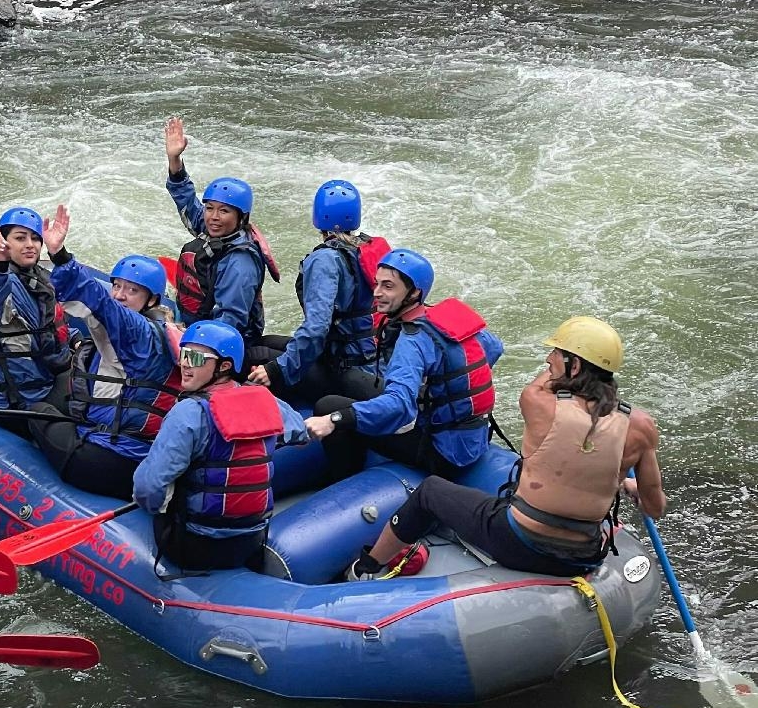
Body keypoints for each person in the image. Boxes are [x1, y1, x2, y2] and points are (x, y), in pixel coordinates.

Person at [347, 317, 666, 581]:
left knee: (430, 492)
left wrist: (559, 372)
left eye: (556, 353)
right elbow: (654, 507)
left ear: (575, 366)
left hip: (522, 543)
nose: (548, 359)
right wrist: (625, 482)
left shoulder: (538, 402)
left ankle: (366, 567)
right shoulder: (640, 427)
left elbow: (549, 392)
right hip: (583, 557)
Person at [303, 248, 503, 490]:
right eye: (376, 284)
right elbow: (493, 347)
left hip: (442, 453)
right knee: (355, 385)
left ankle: (343, 483)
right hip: (472, 437)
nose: (376, 293)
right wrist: (448, 391)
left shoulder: (413, 339)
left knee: (329, 406)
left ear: (414, 292)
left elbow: (400, 406)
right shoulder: (444, 318)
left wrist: (335, 420)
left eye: (388, 286)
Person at [24, 205, 179, 499]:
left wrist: (61, 256)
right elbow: (92, 306)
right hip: (126, 444)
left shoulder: (140, 333)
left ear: (152, 300)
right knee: (58, 386)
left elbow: (101, 303)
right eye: (117, 285)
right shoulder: (158, 326)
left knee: (35, 411)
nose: (120, 294)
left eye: (132, 290)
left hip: (112, 459)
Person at [133, 321, 310, 572]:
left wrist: (155, 507)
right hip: (251, 541)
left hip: (195, 546)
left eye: (195, 357)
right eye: (183, 354)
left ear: (224, 366)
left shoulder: (188, 413)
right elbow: (300, 433)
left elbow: (147, 488)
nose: (184, 364)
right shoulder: (263, 399)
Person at [249, 180, 392, 405]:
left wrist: (276, 370)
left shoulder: (325, 260)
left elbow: (316, 329)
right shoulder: (363, 249)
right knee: (266, 342)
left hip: (344, 368)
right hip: (367, 358)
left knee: (255, 356)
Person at [163, 117, 281, 366]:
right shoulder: (214, 231)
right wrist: (175, 160)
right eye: (210, 208)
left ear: (240, 217)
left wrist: (194, 352)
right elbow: (185, 199)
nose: (213, 217)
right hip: (198, 327)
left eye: (224, 211)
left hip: (224, 347)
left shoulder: (240, 263)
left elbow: (231, 321)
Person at [0, 207, 73, 435]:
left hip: (44, 381)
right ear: (4, 242)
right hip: (14, 401)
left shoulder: (39, 276)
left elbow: (52, 327)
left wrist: (76, 342)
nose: (30, 244)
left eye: (35, 238)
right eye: (20, 238)